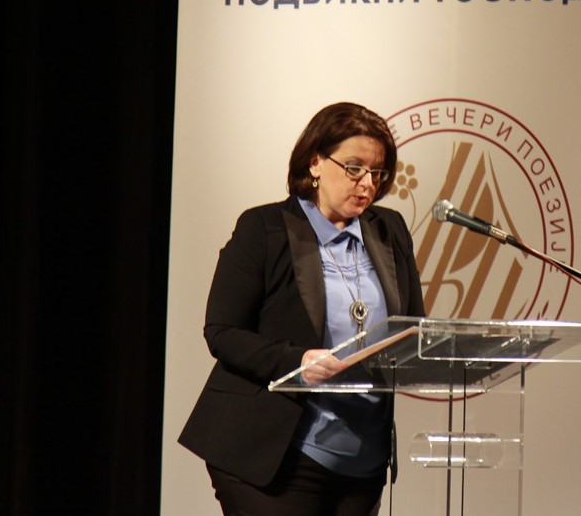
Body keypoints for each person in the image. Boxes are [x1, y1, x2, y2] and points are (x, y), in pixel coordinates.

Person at [179, 102, 426, 515]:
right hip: (273, 455)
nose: (367, 183)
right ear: (315, 163)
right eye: (354, 168)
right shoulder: (265, 228)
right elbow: (222, 331)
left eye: (377, 172)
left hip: (362, 460)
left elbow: (413, 329)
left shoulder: (391, 230)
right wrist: (297, 362)